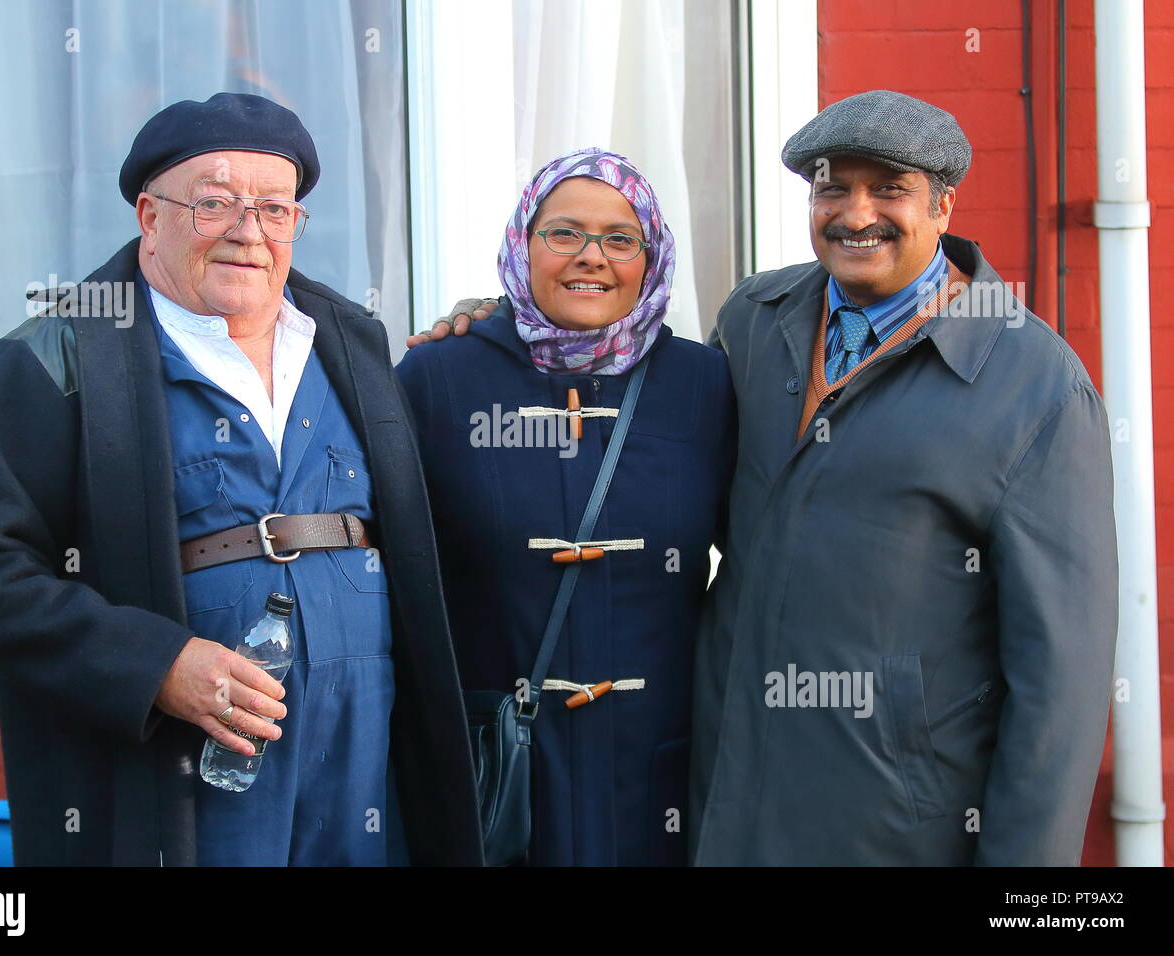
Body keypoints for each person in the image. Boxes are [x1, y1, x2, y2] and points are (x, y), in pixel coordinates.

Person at [422, 90, 1119, 866]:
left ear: (944, 204)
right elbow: (646, 441)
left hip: (896, 829)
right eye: (831, 187)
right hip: (722, 799)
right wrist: (509, 328)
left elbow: (1062, 683)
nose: (857, 214)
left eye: (889, 188)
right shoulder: (758, 319)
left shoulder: (1033, 387)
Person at [0, 92, 483, 866]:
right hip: (173, 776)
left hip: (364, 763)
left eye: (274, 209)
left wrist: (501, 334)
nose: (249, 232)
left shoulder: (352, 343)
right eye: (216, 204)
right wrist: (157, 666)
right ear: (150, 217)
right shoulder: (54, 359)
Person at [396, 148, 736, 866]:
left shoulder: (705, 385)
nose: (593, 258)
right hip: (497, 771)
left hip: (659, 773)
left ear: (651, 257)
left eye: (620, 238)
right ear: (524, 244)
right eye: (564, 233)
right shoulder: (437, 378)